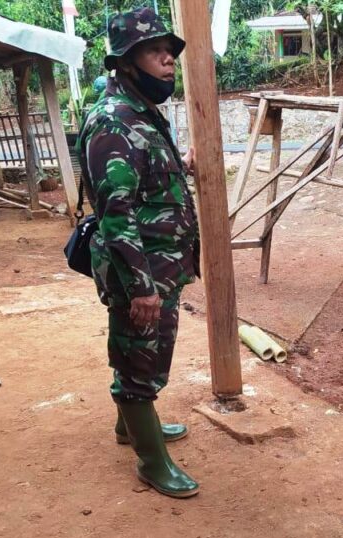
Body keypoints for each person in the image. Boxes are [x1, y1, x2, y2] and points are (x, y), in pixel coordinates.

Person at [77, 8, 200, 498]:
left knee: (138, 350)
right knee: (140, 360)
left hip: (159, 265)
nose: (169, 60)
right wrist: (142, 287)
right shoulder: (113, 122)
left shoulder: (142, 114)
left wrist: (181, 165)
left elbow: (146, 183)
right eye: (156, 51)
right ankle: (152, 463)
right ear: (126, 62)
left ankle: (131, 426)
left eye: (170, 51)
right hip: (140, 271)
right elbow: (115, 213)